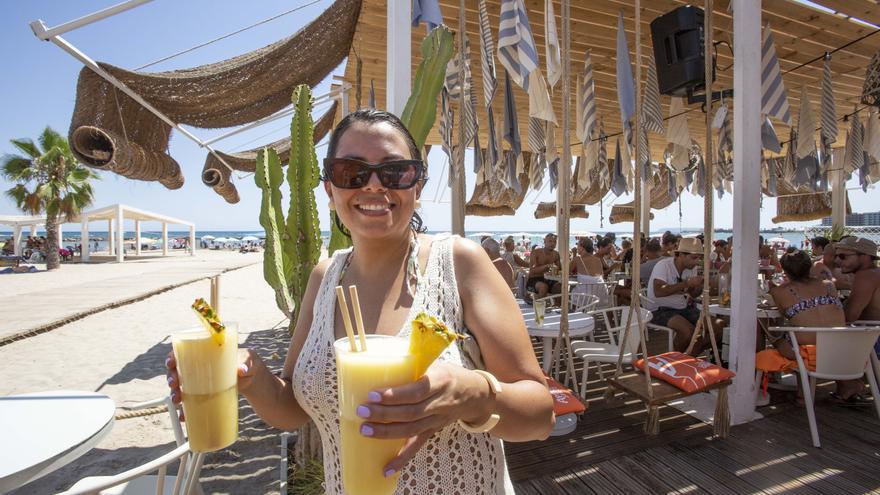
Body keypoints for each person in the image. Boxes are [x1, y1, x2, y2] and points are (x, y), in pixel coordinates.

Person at [166, 109, 554, 494]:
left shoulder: (458, 263)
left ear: (416, 187)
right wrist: (250, 378)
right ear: (329, 189)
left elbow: (540, 416)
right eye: (351, 172)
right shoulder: (324, 278)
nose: (372, 186)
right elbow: (292, 406)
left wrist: (475, 394)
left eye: (395, 171)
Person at [768, 249, 868, 405]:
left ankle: (799, 393)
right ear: (809, 267)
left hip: (805, 352)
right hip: (842, 347)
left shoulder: (781, 291)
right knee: (813, 335)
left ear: (785, 271)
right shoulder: (829, 286)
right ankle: (845, 386)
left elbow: (783, 312)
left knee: (771, 331)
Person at [646, 238, 723, 355]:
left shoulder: (692, 269)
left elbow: (693, 294)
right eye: (694, 258)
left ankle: (689, 356)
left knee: (719, 327)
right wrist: (687, 283)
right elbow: (659, 291)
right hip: (659, 309)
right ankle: (676, 360)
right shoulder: (664, 265)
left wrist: (701, 285)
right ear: (681, 255)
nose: (697, 262)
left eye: (699, 258)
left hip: (683, 308)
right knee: (689, 332)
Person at [527, 233, 562, 300]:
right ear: (544, 242)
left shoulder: (556, 254)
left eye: (554, 242)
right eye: (550, 241)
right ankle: (540, 307)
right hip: (534, 279)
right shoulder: (536, 252)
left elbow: (559, 270)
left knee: (560, 287)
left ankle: (557, 307)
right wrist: (545, 266)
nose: (552, 244)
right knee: (543, 287)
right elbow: (532, 270)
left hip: (548, 279)